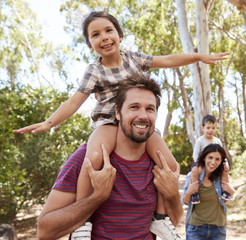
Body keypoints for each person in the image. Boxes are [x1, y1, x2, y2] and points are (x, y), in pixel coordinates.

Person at [13, 11, 228, 237]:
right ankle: (83, 223)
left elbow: (167, 60)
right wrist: (49, 123)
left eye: (108, 31)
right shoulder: (94, 70)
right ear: (90, 45)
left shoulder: (134, 59)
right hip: (107, 121)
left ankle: (160, 219)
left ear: (120, 36)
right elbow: (74, 101)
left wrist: (198, 57)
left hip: (137, 126)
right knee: (93, 159)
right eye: (95, 34)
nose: (104, 37)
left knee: (171, 167)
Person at [36, 73, 183, 240]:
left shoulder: (158, 164)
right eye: (134, 107)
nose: (143, 115)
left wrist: (172, 195)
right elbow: (44, 232)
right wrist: (96, 197)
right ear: (118, 113)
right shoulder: (86, 159)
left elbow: (174, 220)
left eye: (150, 109)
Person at [182, 144, 235, 240]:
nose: (213, 162)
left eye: (217, 159)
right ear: (204, 158)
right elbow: (185, 201)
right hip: (195, 229)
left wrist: (232, 191)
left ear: (221, 161)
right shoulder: (192, 176)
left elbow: (226, 200)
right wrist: (189, 192)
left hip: (218, 230)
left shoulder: (222, 177)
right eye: (210, 157)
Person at [190, 115, 232, 204]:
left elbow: (222, 155)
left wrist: (226, 163)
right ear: (202, 128)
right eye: (208, 128)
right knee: (194, 170)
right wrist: (199, 164)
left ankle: (225, 191)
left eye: (213, 128)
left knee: (224, 170)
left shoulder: (217, 141)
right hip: (201, 162)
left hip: (215, 163)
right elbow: (195, 155)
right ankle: (195, 193)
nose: (210, 130)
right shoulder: (200, 141)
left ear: (216, 128)